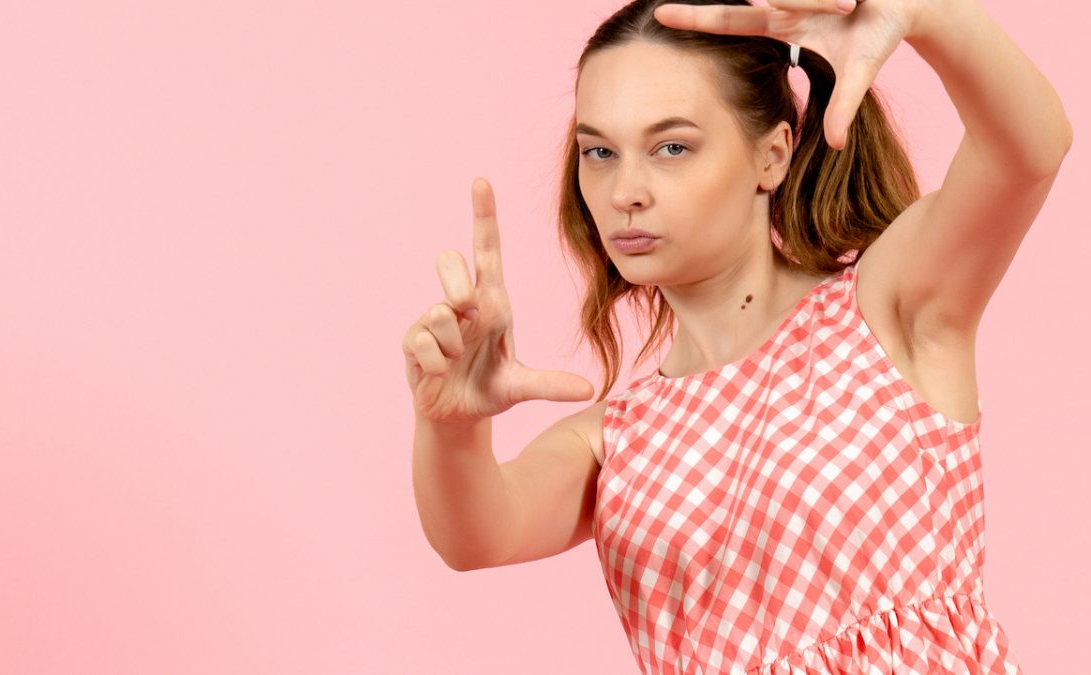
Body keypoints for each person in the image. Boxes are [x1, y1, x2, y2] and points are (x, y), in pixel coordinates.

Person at [404, 0, 1070, 671]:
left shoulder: (885, 310)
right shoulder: (618, 439)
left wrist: (927, 13)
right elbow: (477, 532)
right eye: (599, 152)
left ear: (772, 155)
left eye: (672, 146)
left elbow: (1030, 149)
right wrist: (451, 426)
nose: (624, 190)